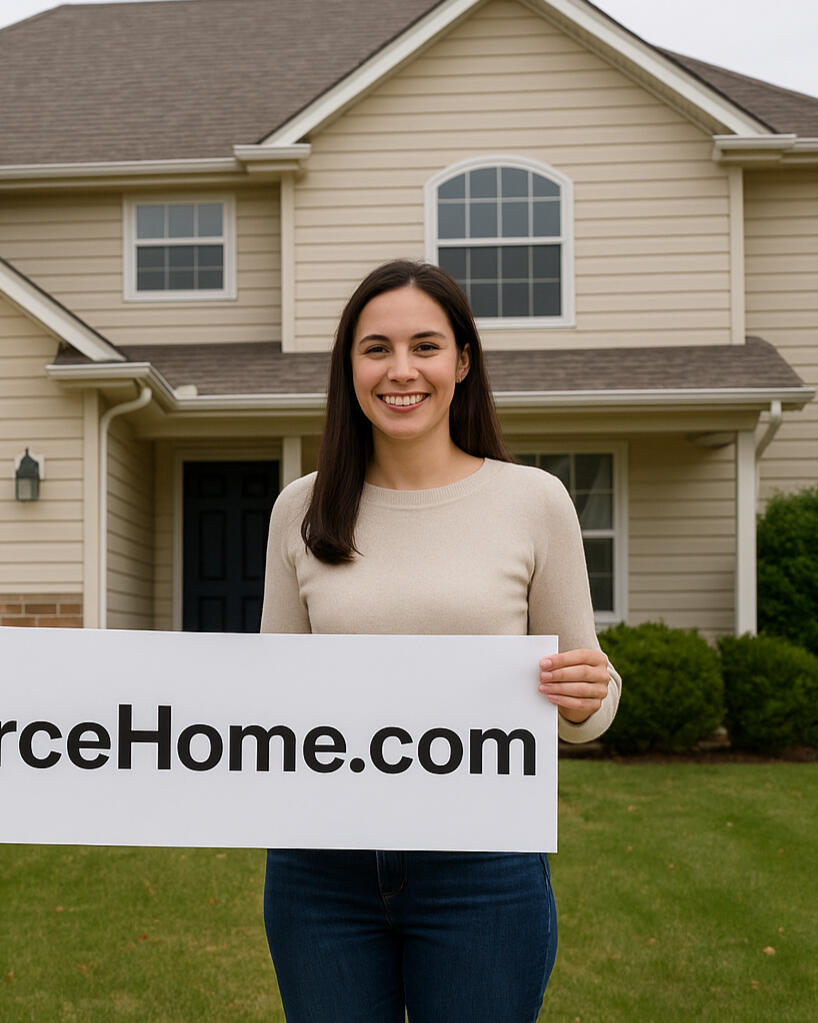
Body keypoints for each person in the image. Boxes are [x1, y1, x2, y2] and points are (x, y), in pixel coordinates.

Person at [259, 259, 619, 1022]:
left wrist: (588, 695)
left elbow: (588, 698)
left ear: (462, 362)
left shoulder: (534, 501)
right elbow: (273, 699)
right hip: (321, 872)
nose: (401, 370)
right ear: (349, 367)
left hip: (484, 870)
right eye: (376, 348)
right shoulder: (300, 508)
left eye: (425, 346)